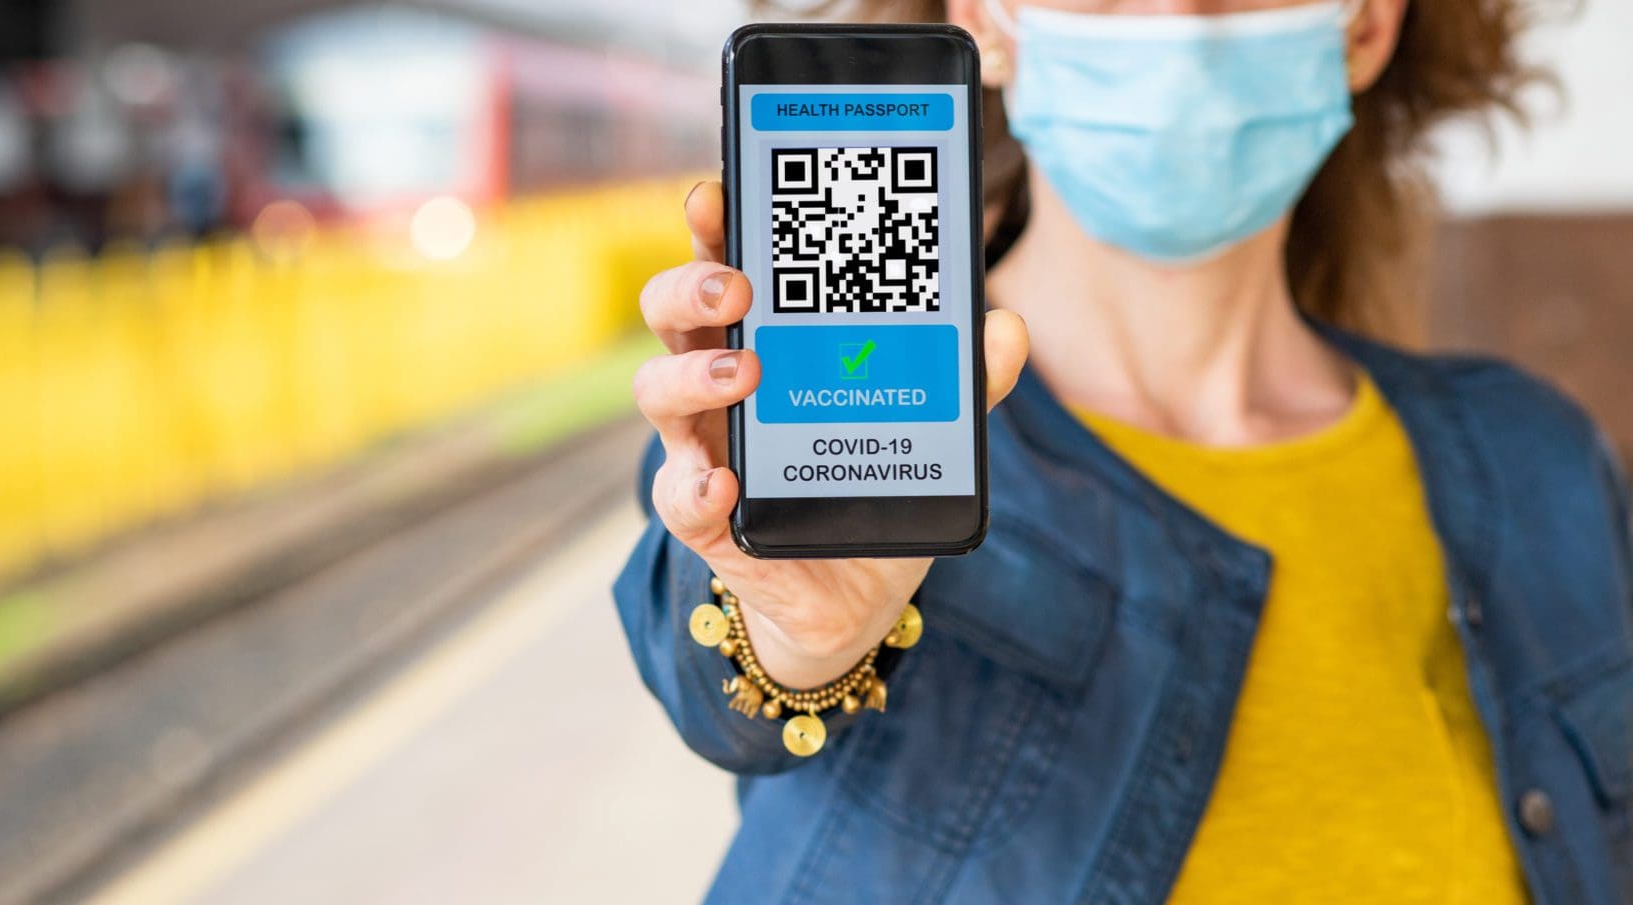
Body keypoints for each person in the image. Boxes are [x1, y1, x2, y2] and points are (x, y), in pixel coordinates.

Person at [614, 0, 1633, 902]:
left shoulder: (1537, 460)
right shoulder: (839, 431)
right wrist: (790, 638)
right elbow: (715, 664)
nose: (1172, 20)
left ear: (1362, 27)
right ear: (985, 20)